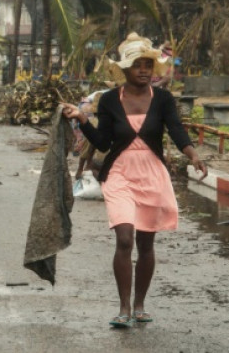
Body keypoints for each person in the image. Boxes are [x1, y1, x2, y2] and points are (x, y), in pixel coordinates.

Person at [60, 32, 207, 329]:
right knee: (124, 237)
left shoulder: (163, 99)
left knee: (146, 242)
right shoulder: (110, 100)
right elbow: (102, 143)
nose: (143, 69)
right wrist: (83, 119)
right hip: (120, 174)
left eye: (147, 64)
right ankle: (124, 307)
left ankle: (140, 303)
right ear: (124, 69)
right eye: (137, 64)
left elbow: (177, 131)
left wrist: (192, 155)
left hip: (152, 173)